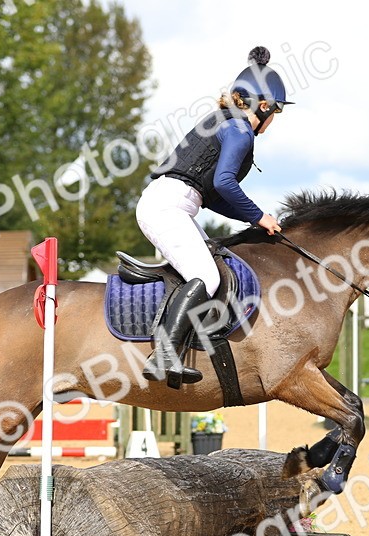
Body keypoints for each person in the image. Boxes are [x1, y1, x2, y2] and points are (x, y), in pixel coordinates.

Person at [136, 46, 289, 385]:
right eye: (277, 111)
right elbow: (224, 182)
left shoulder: (228, 123)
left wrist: (253, 220)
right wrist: (259, 216)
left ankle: (187, 347)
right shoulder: (240, 130)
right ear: (264, 106)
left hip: (175, 202)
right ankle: (164, 355)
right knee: (206, 275)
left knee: (217, 268)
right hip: (168, 205)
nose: (275, 120)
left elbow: (214, 197)